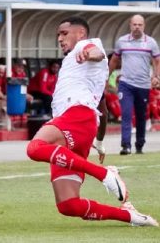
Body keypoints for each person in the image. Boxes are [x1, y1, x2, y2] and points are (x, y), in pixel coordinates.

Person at [26, 16, 158, 226]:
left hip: (75, 118)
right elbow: (103, 111)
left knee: (34, 148)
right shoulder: (81, 71)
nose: (60, 38)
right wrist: (99, 141)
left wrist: (88, 53)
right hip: (80, 128)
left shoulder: (87, 46)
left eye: (64, 33)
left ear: (80, 33)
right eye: (58, 34)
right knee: (68, 205)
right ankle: (131, 216)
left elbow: (95, 52)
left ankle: (104, 174)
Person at [109, 14, 160, 155]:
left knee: (141, 116)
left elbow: (157, 61)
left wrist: (156, 76)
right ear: (130, 25)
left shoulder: (150, 42)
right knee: (126, 114)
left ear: (144, 26)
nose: (137, 27)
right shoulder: (122, 41)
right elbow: (114, 60)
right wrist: (105, 75)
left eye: (140, 24)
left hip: (143, 85)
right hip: (126, 84)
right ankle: (126, 145)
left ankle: (139, 144)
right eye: (134, 24)